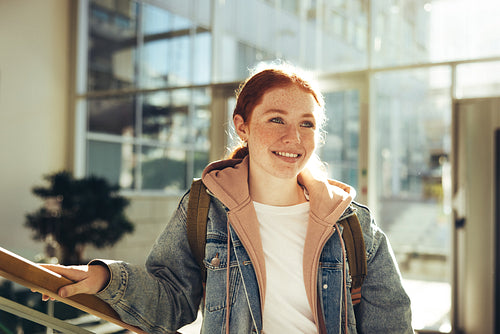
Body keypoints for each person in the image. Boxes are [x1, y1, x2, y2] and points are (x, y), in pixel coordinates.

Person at [38, 63, 413, 333]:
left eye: (307, 124)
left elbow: (391, 326)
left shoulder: (351, 223)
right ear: (242, 127)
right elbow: (172, 303)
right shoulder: (205, 210)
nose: (293, 139)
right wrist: (108, 278)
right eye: (276, 119)